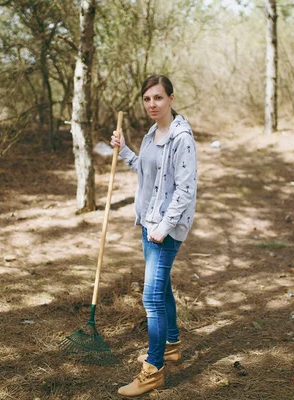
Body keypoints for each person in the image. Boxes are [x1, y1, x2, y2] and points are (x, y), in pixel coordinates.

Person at [110, 74, 197, 397]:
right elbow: (148, 172)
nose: (151, 104)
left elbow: (185, 190)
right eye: (147, 99)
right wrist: (124, 152)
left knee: (151, 297)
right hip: (149, 223)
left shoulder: (181, 138)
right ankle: (171, 344)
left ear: (171, 99)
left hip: (167, 229)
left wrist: (162, 229)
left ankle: (153, 371)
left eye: (158, 98)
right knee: (161, 289)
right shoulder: (151, 133)